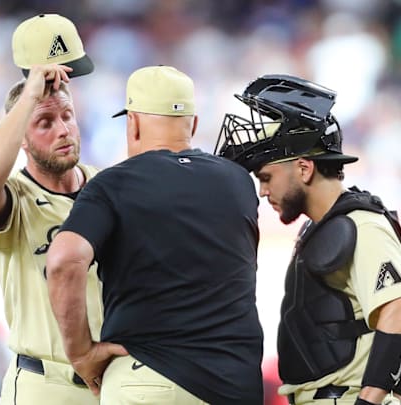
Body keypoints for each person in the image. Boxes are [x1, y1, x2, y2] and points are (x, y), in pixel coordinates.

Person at [45, 65, 265, 404]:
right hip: (234, 385)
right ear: (192, 124)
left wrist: (82, 354)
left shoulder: (112, 184)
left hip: (147, 377)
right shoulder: (239, 181)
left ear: (132, 123)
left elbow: (63, 261)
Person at [215, 74, 401, 405]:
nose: (262, 191)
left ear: (304, 169)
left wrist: (372, 400)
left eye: (267, 177)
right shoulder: (326, 227)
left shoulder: (362, 224)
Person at [0, 14, 103, 405]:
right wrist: (28, 97)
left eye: (67, 116)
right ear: (20, 138)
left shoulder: (109, 186)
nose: (62, 130)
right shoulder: (15, 199)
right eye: (44, 122)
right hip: (45, 385)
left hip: (113, 385)